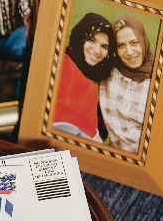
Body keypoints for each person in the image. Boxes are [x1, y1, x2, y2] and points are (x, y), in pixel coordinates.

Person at [52, 13, 116, 141]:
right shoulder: (64, 61)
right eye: (92, 40)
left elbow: (100, 123)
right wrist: (92, 134)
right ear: (80, 38)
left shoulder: (99, 75)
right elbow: (55, 108)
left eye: (104, 47)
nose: (97, 50)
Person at [99, 14, 154, 154]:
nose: (129, 52)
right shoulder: (106, 74)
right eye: (121, 45)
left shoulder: (160, 82)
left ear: (143, 40)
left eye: (134, 43)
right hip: (113, 157)